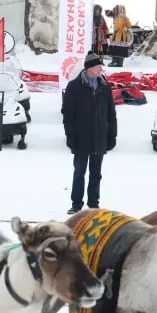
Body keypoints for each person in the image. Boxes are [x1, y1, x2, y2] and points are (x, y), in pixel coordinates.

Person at [61, 54, 117, 213]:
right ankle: (76, 204)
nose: (101, 69)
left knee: (96, 173)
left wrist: (112, 135)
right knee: (79, 172)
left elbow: (111, 113)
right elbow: (67, 114)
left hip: (99, 137)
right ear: (90, 68)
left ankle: (93, 205)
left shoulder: (104, 86)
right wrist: (71, 136)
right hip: (81, 138)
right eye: (99, 67)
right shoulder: (74, 86)